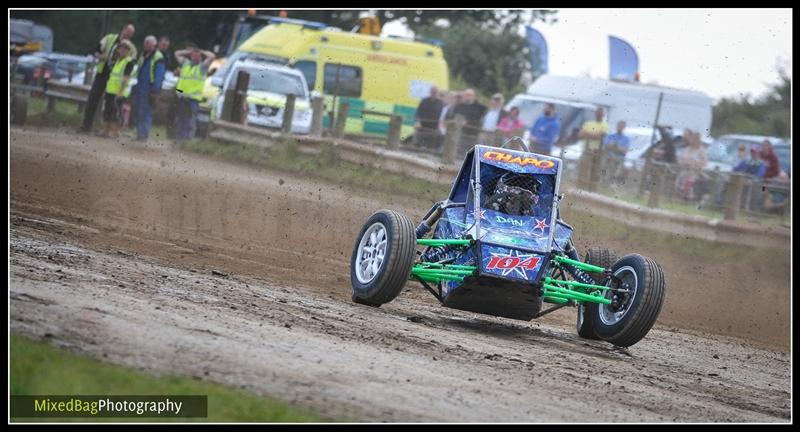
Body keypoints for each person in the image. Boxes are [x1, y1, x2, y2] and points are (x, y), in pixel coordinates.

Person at [81, 24, 137, 133]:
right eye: (128, 32)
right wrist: (101, 56)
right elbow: (96, 50)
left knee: (111, 105)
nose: (128, 35)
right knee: (93, 98)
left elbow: (131, 63)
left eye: (131, 34)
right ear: (123, 29)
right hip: (103, 73)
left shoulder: (132, 48)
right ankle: (86, 126)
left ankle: (109, 130)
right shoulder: (109, 38)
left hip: (116, 79)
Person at [173, 45, 215, 140]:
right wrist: (188, 51)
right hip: (182, 98)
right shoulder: (186, 63)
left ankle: (187, 140)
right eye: (193, 55)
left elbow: (212, 56)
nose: (195, 57)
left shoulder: (202, 67)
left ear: (200, 57)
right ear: (191, 56)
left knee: (190, 121)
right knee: (180, 119)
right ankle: (179, 139)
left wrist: (201, 50)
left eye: (197, 55)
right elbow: (176, 53)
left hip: (193, 100)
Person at [132, 35, 166, 141]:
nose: (145, 45)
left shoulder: (158, 56)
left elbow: (159, 75)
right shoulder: (144, 55)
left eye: (147, 43)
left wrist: (155, 90)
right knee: (139, 111)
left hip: (149, 89)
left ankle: (143, 134)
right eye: (145, 42)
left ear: (153, 44)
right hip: (141, 86)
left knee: (146, 112)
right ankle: (139, 133)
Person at [101, 40, 136, 139]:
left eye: (126, 48)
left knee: (116, 113)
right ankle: (106, 131)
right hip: (110, 90)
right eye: (121, 48)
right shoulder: (117, 61)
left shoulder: (128, 62)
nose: (123, 50)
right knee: (107, 111)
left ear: (129, 51)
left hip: (119, 92)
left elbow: (125, 78)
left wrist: (120, 91)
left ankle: (115, 132)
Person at [452, 89, 487, 153]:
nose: (467, 96)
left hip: (475, 135)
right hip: (462, 134)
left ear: (473, 96)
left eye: (469, 95)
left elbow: (484, 118)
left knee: (473, 154)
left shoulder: (480, 107)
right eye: (466, 95)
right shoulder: (459, 106)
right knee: (459, 153)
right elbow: (454, 117)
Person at [676, 130, 708, 200]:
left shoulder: (701, 150)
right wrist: (683, 162)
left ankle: (688, 196)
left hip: (695, 172)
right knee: (681, 178)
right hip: (684, 170)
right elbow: (680, 159)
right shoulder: (687, 149)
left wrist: (694, 163)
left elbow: (704, 162)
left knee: (690, 179)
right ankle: (680, 196)